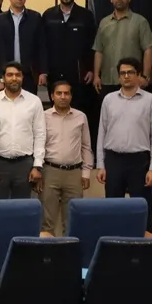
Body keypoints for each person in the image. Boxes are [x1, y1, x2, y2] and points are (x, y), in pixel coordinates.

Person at [97, 57, 152, 232]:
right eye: (123, 73)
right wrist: (101, 165)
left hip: (139, 161)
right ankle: (112, 242)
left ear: (139, 75)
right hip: (113, 160)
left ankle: (146, 244)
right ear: (119, 76)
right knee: (112, 207)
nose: (126, 76)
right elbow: (102, 133)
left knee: (142, 208)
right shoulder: (109, 100)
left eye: (130, 72)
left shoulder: (151, 101)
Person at [42, 0, 97, 137]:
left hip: (79, 75)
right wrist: (43, 71)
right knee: (56, 113)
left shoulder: (85, 15)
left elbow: (93, 45)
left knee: (78, 113)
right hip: (54, 74)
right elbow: (42, 46)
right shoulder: (48, 15)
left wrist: (91, 69)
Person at [0, 62, 46, 200]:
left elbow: (40, 134)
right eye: (10, 75)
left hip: (24, 165)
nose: (14, 78)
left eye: (18, 75)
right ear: (3, 78)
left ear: (22, 77)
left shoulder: (34, 101)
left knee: (22, 208)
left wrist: (37, 165)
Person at [42, 80, 93, 236]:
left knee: (72, 219)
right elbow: (38, 145)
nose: (63, 97)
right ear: (52, 96)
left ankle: (69, 250)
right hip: (50, 171)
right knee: (47, 219)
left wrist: (86, 173)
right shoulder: (43, 117)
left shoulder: (81, 117)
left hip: (74, 173)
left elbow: (86, 146)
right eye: (59, 93)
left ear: (71, 96)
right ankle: (46, 250)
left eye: (66, 93)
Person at [93, 0, 152, 99]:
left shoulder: (140, 22)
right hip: (108, 81)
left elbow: (148, 49)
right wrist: (96, 76)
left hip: (132, 81)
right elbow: (99, 51)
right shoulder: (104, 23)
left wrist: (145, 76)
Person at [0, 0, 48, 92]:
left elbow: (42, 46)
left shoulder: (35, 17)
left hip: (28, 73)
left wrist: (43, 72)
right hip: (6, 73)